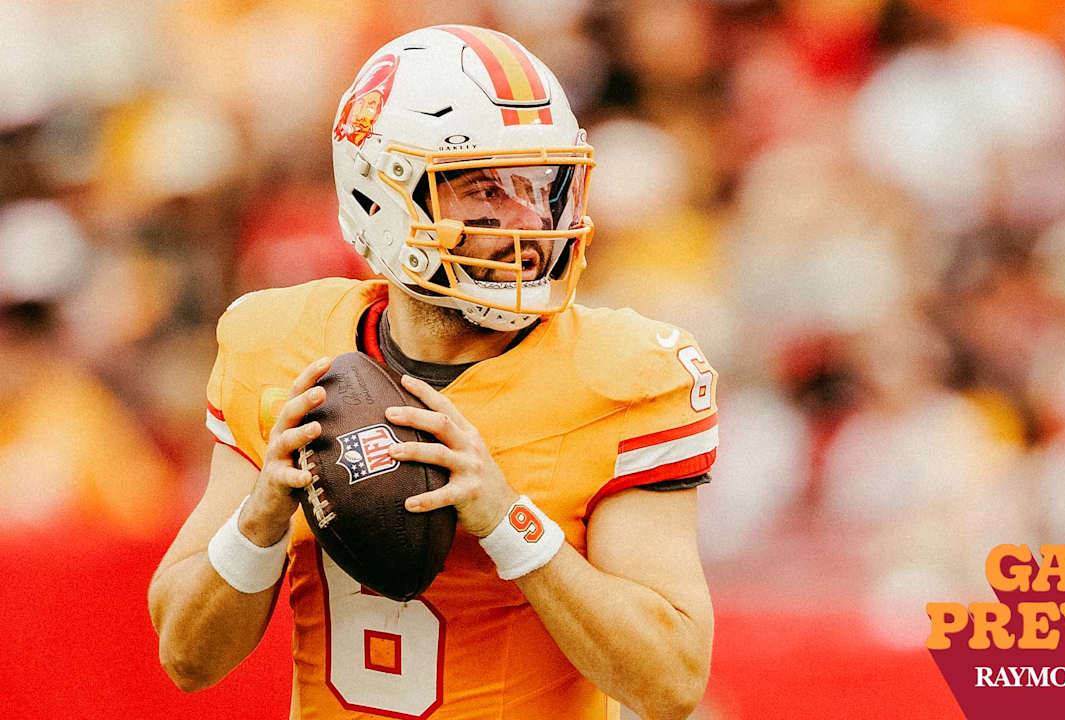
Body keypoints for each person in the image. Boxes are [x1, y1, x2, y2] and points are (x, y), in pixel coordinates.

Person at [148, 25, 718, 720]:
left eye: (542, 185)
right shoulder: (280, 346)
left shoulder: (622, 375)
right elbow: (186, 657)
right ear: (378, 197)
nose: (529, 219)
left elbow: (670, 683)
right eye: (486, 189)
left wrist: (508, 523)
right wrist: (261, 517)